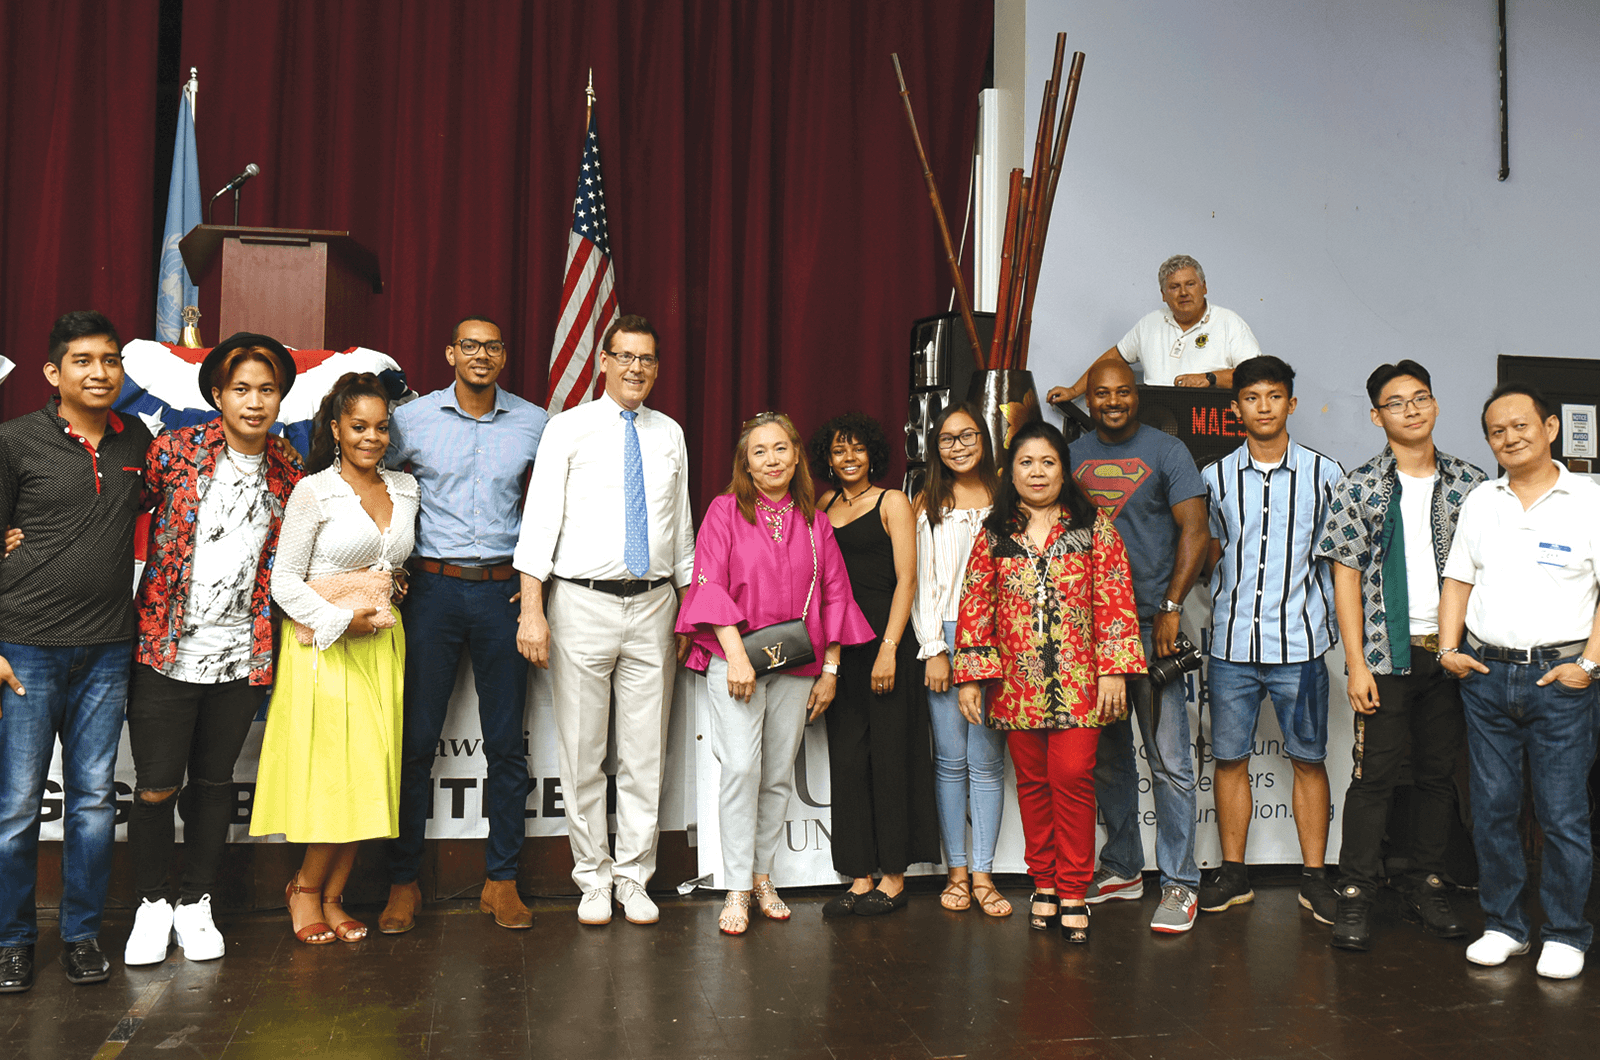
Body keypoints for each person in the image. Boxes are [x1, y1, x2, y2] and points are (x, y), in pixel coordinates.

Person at [123, 333, 305, 967]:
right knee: (154, 787)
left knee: (213, 782)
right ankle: (151, 905)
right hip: (165, 650)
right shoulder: (174, 451)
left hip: (242, 655)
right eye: (241, 389)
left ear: (281, 396)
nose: (255, 402)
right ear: (218, 396)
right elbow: (115, 513)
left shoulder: (291, 470)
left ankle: (195, 904)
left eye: (267, 389)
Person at [513, 315, 693, 927]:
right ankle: (592, 877)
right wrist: (533, 609)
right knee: (583, 751)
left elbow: (682, 528)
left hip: (654, 605)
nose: (636, 368)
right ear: (604, 361)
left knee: (645, 753)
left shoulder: (670, 434)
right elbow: (539, 522)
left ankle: (634, 877)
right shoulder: (567, 429)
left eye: (647, 358)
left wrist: (689, 603)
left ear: (656, 367)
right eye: (625, 356)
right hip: (580, 602)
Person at [0, 311, 153, 992]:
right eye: (84, 361)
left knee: (93, 802)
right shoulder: (14, 443)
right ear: (53, 373)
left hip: (106, 650)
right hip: (24, 649)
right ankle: (11, 942)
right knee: (15, 807)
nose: (100, 372)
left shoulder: (137, 439)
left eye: (111, 360)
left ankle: (82, 936)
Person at [676, 412, 873, 936]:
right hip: (735, 661)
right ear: (746, 461)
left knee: (778, 774)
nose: (771, 459)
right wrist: (736, 656)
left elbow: (835, 594)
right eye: (759, 451)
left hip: (799, 665)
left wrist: (831, 668)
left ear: (796, 456)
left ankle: (763, 877)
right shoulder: (724, 511)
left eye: (780, 449)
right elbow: (708, 583)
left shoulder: (817, 521)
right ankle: (737, 886)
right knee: (741, 769)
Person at [381, 316, 547, 934]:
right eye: (469, 345)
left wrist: (536, 595)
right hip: (432, 593)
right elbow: (378, 482)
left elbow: (556, 501)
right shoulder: (412, 420)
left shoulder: (536, 423)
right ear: (450, 353)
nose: (481, 354)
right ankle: (403, 884)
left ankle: (500, 881)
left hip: (505, 594)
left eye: (493, 346)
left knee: (507, 746)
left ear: (505, 356)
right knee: (416, 743)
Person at [954, 420, 1146, 943]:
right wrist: (972, 677)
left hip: (1082, 683)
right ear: (1010, 472)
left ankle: (1074, 889)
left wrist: (1113, 670)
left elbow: (1114, 601)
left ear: (1064, 470)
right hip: (1015, 686)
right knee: (1034, 785)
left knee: (1074, 777)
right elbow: (975, 607)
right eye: (1025, 462)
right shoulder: (994, 534)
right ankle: (1043, 883)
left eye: (1047, 462)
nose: (1036, 472)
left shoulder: (1094, 528)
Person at [1316, 360, 1484, 952]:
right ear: (1375, 415)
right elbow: (1345, 577)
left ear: (1435, 405)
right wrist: (1355, 662)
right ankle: (1356, 893)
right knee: (1374, 777)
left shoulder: (1472, 482)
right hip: (1386, 655)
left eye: (1420, 398)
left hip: (1453, 655)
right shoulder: (1358, 486)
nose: (1411, 409)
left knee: (1439, 777)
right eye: (1396, 402)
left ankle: (1426, 884)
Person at [1438, 383, 1600, 980]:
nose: (1509, 438)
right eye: (1496, 432)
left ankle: (1565, 933)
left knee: (1562, 814)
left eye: (1520, 426)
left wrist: (1588, 665)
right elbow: (1458, 579)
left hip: (1560, 680)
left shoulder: (1589, 500)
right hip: (1485, 676)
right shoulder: (1483, 500)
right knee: (1493, 808)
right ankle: (1504, 925)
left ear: (1550, 428)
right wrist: (1449, 649)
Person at [250, 372, 419, 945]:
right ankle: (303, 889)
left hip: (382, 646)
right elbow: (283, 583)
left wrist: (385, 593)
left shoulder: (405, 488)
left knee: (371, 775)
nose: (372, 437)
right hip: (324, 649)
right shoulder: (313, 491)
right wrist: (342, 618)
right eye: (359, 427)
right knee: (334, 778)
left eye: (380, 426)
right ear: (336, 430)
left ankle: (333, 896)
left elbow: (394, 566)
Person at [1198, 355, 1343, 923]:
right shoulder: (1213, 478)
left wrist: (1324, 621)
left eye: (1274, 396)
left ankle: (1314, 877)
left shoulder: (1325, 474)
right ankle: (1234, 876)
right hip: (1231, 646)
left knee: (1309, 760)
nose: (1263, 406)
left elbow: (1340, 564)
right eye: (1252, 397)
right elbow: (1203, 552)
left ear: (1291, 403)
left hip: (1300, 648)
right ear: (1236, 408)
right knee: (1230, 759)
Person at [1069, 359, 1211, 933]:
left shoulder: (1168, 451)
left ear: (1136, 394)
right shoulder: (1072, 454)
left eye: (1122, 392)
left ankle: (1180, 884)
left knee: (1170, 761)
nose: (1112, 401)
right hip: (1090, 632)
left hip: (1155, 626)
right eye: (1101, 394)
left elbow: (1195, 531)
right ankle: (1123, 868)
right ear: (1092, 399)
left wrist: (1172, 607)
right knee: (1106, 760)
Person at [809, 412, 938, 917]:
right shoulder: (823, 505)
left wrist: (889, 647)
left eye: (857, 449)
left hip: (888, 647)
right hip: (843, 650)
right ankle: (859, 874)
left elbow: (907, 580)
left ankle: (894, 876)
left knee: (890, 757)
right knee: (847, 757)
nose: (848, 458)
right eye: (839, 450)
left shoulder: (893, 502)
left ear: (872, 455)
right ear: (828, 457)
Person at [910, 402, 1013, 919]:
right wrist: (934, 647)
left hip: (1001, 640)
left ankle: (984, 873)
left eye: (967, 435)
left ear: (984, 438)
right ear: (936, 447)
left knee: (988, 762)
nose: (958, 446)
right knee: (950, 760)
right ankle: (955, 872)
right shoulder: (928, 500)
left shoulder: (1007, 496)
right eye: (947, 439)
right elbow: (921, 581)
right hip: (947, 636)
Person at [1046, 254, 1262, 403]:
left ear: (1204, 287)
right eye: (1174, 287)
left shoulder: (1229, 323)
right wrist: (1074, 390)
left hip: (1210, 433)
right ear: (1163, 294)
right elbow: (1112, 360)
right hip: (1157, 431)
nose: (1183, 292)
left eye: (1190, 284)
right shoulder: (1149, 324)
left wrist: (1209, 378)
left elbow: (1257, 377)